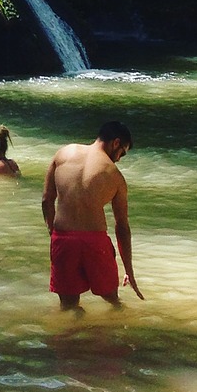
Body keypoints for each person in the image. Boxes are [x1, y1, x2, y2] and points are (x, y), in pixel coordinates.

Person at [41, 120, 143, 310]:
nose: (119, 159)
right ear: (116, 143)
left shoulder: (63, 154)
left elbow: (47, 199)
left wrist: (53, 233)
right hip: (95, 242)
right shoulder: (115, 176)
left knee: (68, 306)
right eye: (122, 152)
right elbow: (122, 227)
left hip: (63, 239)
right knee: (113, 301)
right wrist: (129, 270)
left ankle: (70, 338)